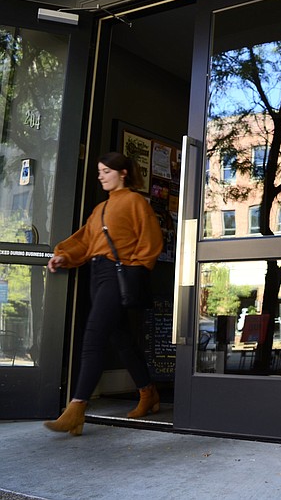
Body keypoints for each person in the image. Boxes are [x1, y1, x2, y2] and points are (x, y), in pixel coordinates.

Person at [44, 152, 163, 436]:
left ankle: (76, 409)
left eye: (106, 171)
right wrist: (64, 257)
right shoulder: (99, 209)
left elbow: (152, 241)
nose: (100, 176)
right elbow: (85, 242)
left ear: (123, 173)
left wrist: (134, 267)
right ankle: (148, 394)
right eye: (99, 171)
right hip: (96, 275)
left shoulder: (134, 202)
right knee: (120, 338)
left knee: (94, 337)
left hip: (116, 274)